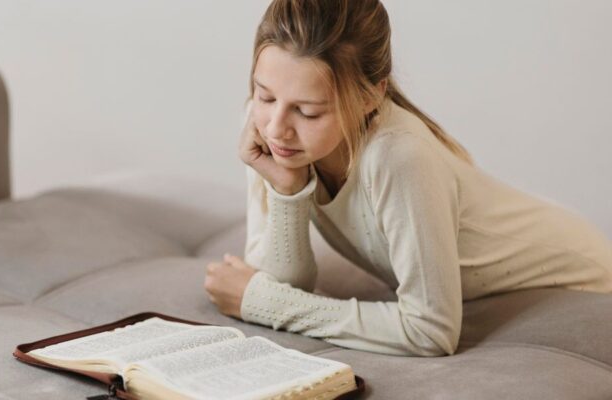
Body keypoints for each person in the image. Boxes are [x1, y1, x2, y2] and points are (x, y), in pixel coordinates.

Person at [203, 0, 612, 357]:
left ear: (370, 96)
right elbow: (278, 279)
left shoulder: (399, 157)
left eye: (308, 111)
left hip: (580, 279)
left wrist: (266, 304)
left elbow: (430, 330)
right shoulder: (271, 135)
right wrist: (287, 190)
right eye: (265, 95)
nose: (276, 128)